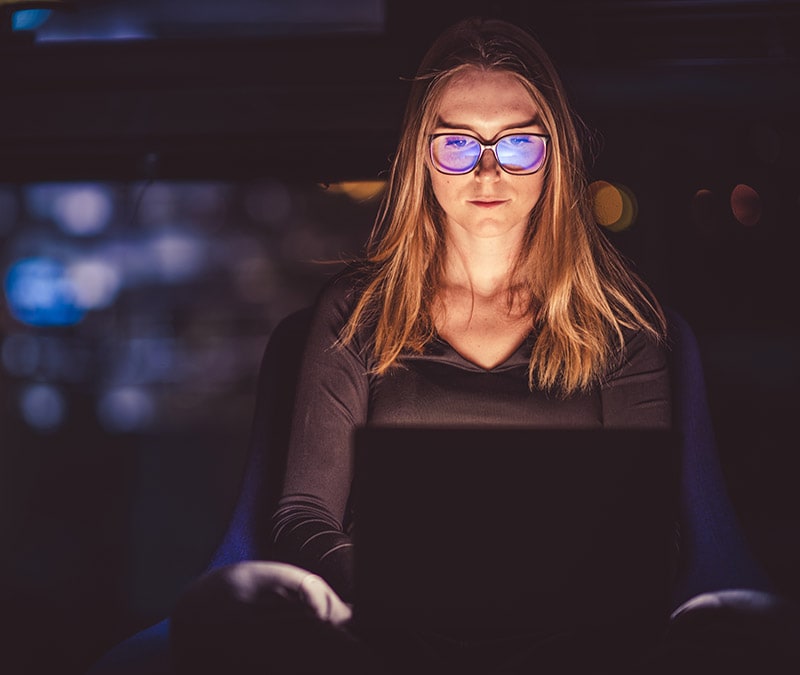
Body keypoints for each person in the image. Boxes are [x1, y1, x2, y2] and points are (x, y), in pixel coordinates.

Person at [170, 16, 795, 675]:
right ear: (422, 157)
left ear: (554, 154)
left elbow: (649, 542)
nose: (489, 169)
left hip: (573, 643)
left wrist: (526, 602)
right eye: (458, 146)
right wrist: (416, 596)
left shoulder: (623, 326)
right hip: (384, 641)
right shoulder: (356, 316)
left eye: (518, 145)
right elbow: (302, 517)